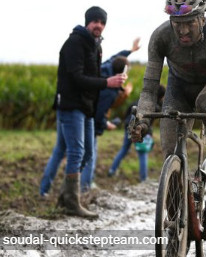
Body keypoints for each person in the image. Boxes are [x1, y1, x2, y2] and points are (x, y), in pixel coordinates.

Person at [130, 0, 206, 208]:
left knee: (205, 103)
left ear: (202, 19)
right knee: (170, 149)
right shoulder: (161, 37)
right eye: (177, 24)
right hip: (178, 87)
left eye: (190, 23)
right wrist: (142, 121)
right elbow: (149, 89)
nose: (183, 31)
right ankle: (176, 214)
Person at [46, 6, 127, 219]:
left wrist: (111, 86)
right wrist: (107, 82)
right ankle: (72, 202)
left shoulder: (96, 47)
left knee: (88, 152)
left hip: (87, 107)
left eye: (102, 22)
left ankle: (65, 196)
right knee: (75, 152)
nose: (99, 25)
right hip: (71, 105)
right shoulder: (74, 43)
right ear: (87, 22)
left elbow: (94, 77)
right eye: (95, 21)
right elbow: (76, 78)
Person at [40, 39, 139, 196]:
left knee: (60, 150)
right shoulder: (110, 89)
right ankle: (83, 188)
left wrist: (130, 51)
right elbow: (97, 111)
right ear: (122, 73)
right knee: (87, 154)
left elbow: (115, 57)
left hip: (64, 107)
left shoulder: (105, 68)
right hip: (82, 116)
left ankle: (44, 190)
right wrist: (105, 124)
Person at [109, 85, 166, 181]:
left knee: (124, 149)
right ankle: (143, 179)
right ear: (161, 96)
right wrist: (149, 133)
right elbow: (149, 123)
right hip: (140, 130)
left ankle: (112, 170)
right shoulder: (156, 107)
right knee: (142, 153)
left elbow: (128, 112)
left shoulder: (140, 100)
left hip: (129, 126)